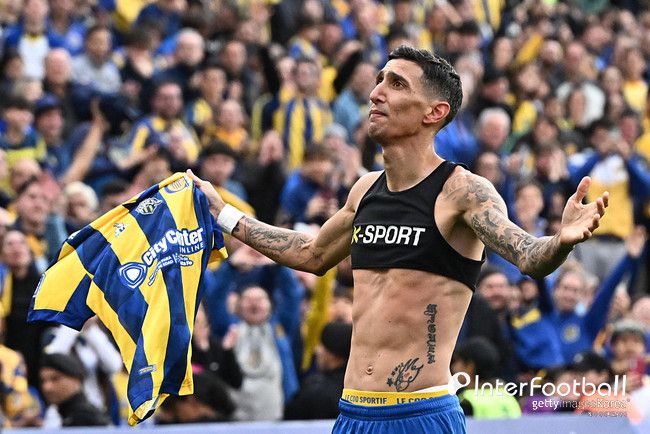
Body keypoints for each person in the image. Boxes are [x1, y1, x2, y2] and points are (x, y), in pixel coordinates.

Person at [189, 45, 608, 433]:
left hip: (420, 413)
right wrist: (224, 213)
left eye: (396, 84)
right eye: (379, 80)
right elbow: (311, 253)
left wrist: (561, 240)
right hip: (352, 413)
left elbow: (529, 255)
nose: (376, 93)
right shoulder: (365, 190)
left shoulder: (462, 192)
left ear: (434, 112)